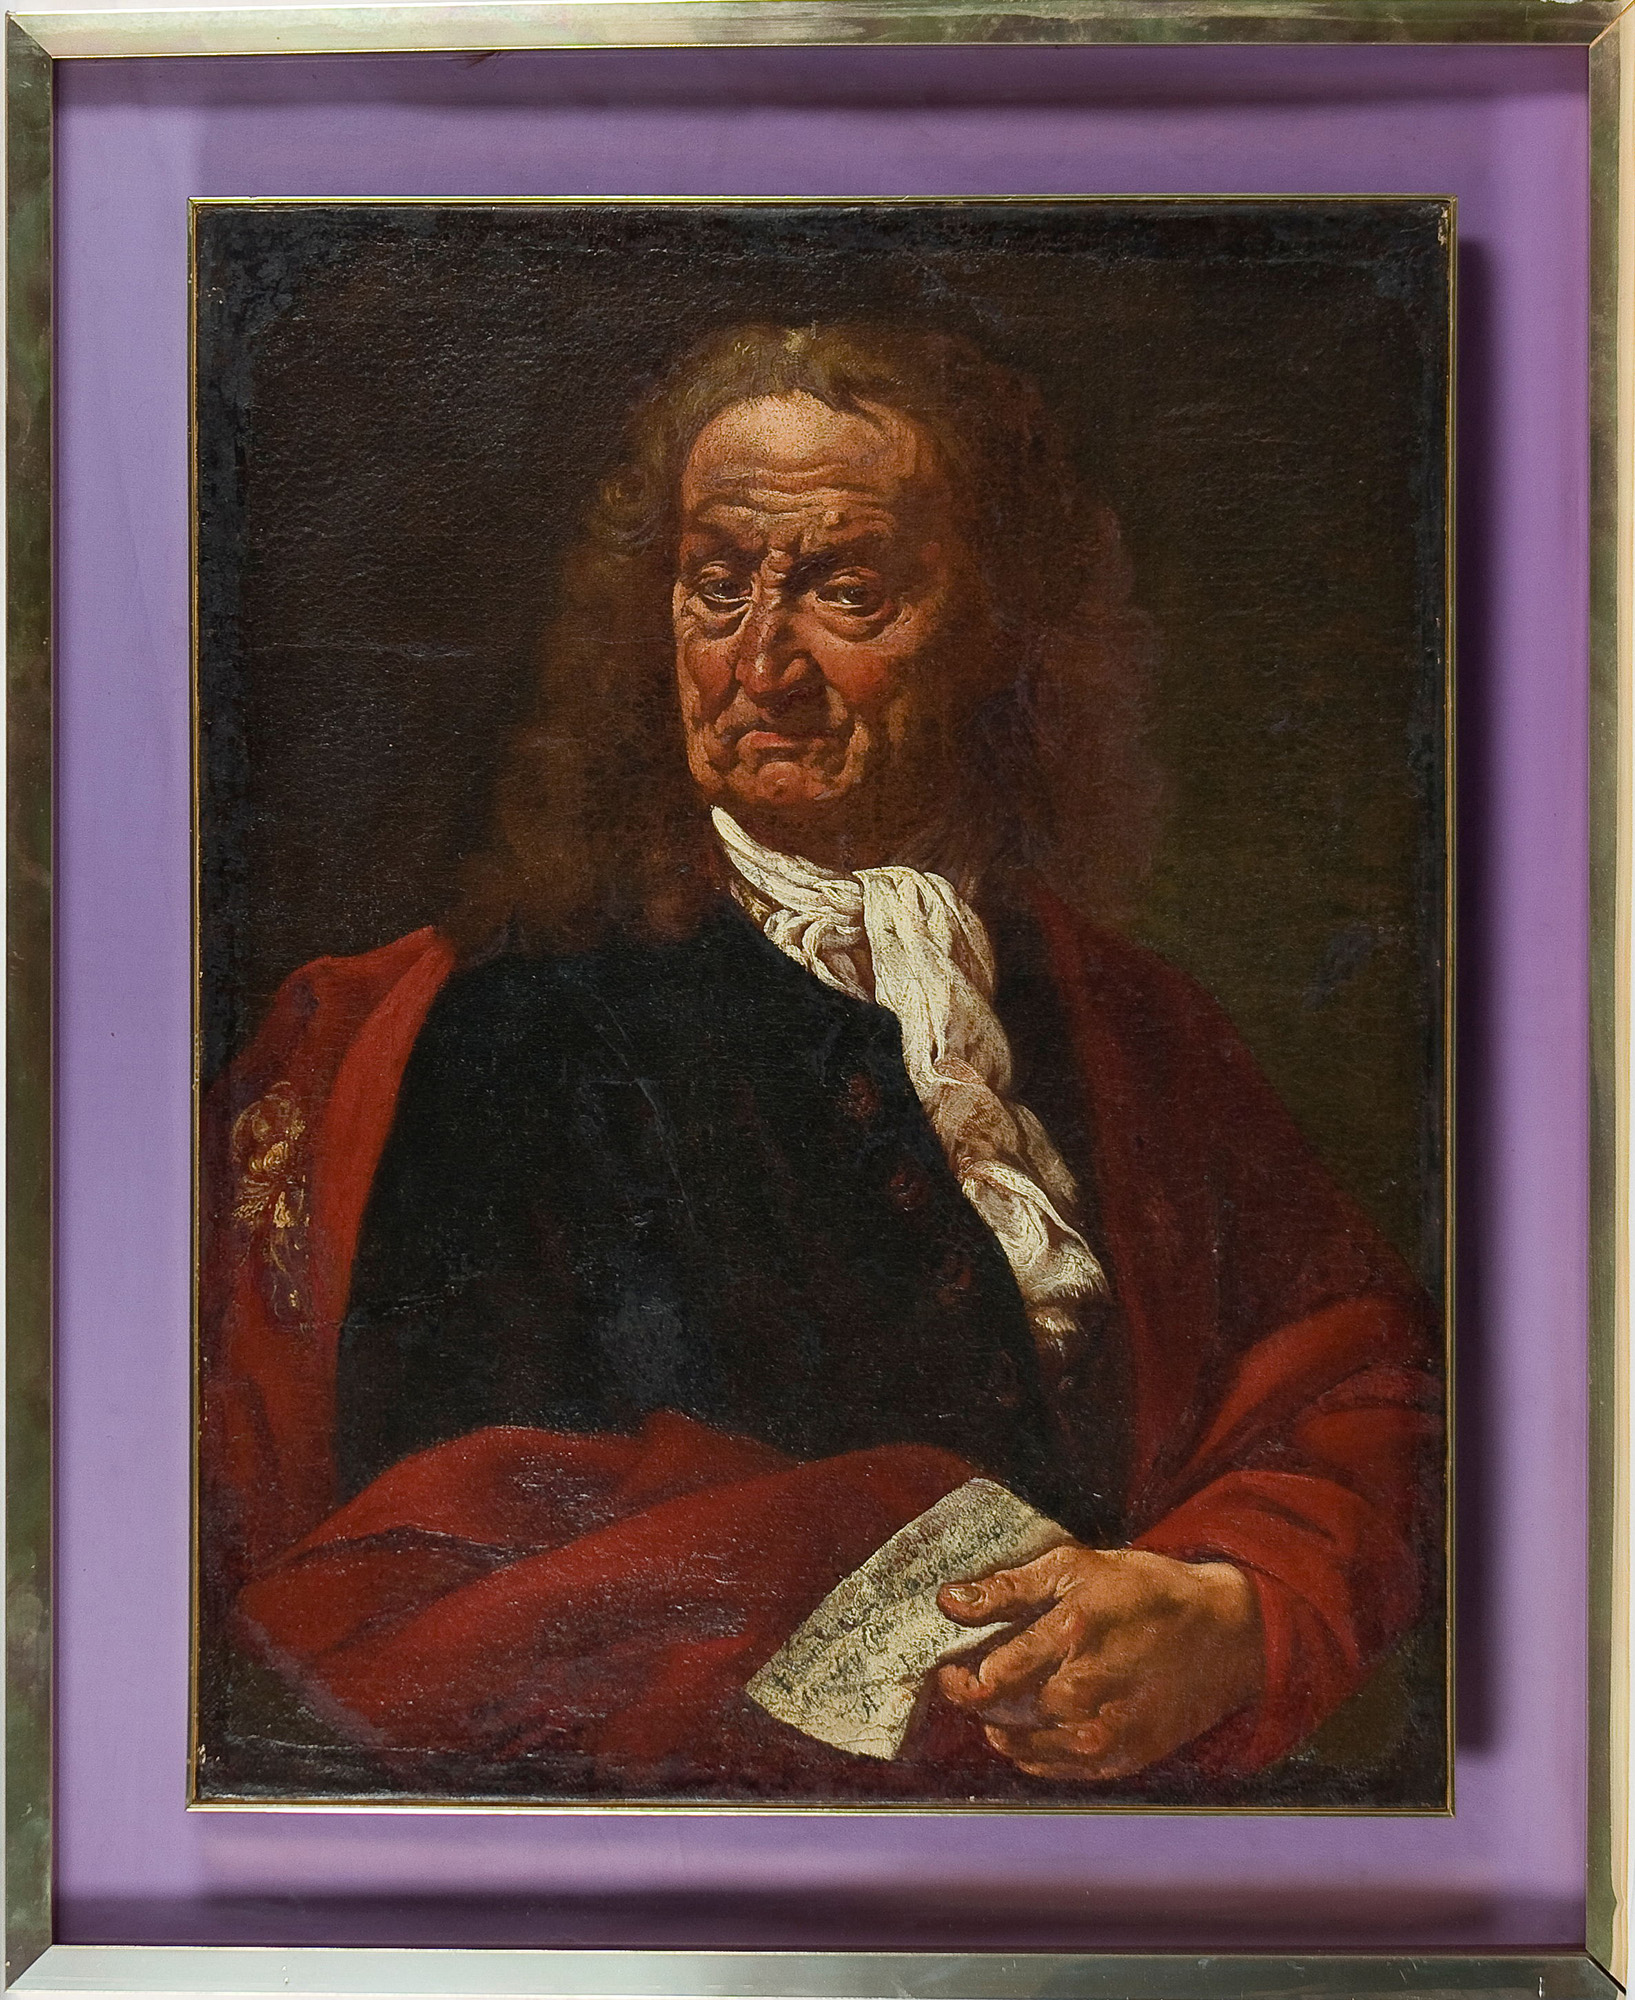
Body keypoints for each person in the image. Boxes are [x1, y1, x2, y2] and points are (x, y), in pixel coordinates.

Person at [198, 322, 1442, 1803]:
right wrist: (921, 1550)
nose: (761, 664)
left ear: (1001, 630)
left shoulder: (1135, 1028)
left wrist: (1228, 1610)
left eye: (847, 592)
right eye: (717, 585)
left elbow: (1364, 1389)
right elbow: (426, 1578)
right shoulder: (494, 1032)